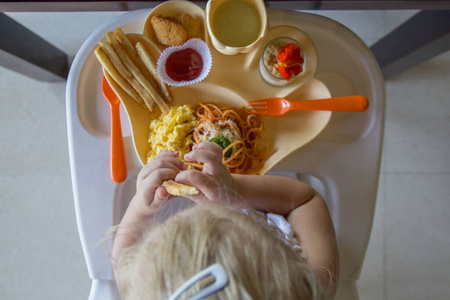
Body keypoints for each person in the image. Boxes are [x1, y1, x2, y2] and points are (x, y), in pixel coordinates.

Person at [111, 142, 339, 299]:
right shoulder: (310, 284)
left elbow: (122, 260)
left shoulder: (150, 290)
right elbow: (305, 201)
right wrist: (234, 192)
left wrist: (141, 208)